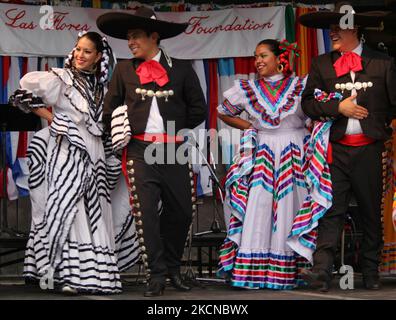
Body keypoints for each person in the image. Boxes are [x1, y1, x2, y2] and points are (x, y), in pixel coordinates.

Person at [9, 31, 140, 295]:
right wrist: (55, 120)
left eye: (87, 52)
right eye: (78, 49)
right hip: (66, 151)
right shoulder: (62, 79)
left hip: (95, 153)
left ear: (98, 57)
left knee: (95, 210)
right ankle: (67, 276)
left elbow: (104, 125)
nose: (80, 55)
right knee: (70, 207)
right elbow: (22, 93)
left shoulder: (104, 89)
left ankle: (89, 275)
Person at [97, 6, 207, 297]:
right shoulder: (123, 69)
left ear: (154, 36)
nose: (130, 42)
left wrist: (172, 130)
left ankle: (172, 268)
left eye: (135, 36)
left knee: (182, 211)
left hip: (173, 150)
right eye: (128, 38)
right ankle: (156, 275)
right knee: (146, 214)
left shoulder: (182, 69)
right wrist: (121, 126)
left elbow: (199, 110)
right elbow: (109, 110)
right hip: (139, 149)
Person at [299, 4, 396, 291]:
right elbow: (307, 104)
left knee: (370, 212)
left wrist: (383, 128)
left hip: (370, 150)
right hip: (336, 150)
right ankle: (321, 270)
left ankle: (370, 271)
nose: (331, 33)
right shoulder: (321, 64)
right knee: (331, 210)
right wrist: (337, 107)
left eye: (337, 28)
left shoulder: (383, 63)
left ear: (353, 29)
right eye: (330, 29)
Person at [217, 39, 328, 290]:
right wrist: (249, 127)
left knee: (294, 203)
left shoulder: (302, 85)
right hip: (264, 148)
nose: (258, 61)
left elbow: (317, 112)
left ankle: (293, 268)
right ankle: (257, 271)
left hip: (295, 150)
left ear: (280, 58)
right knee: (260, 204)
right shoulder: (249, 88)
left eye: (263, 55)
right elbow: (223, 111)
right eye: (256, 56)